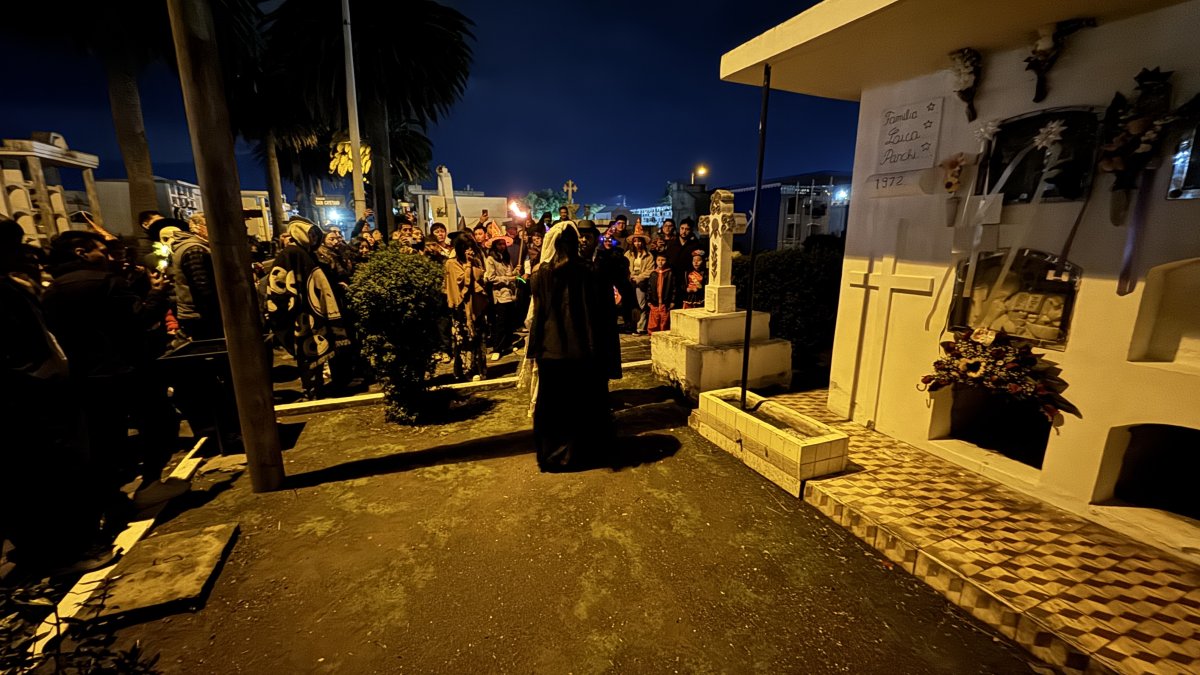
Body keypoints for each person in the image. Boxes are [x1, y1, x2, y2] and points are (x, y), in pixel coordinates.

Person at [527, 223, 620, 471]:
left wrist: (534, 349)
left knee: (551, 404)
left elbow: (538, 315)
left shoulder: (540, 274)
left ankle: (551, 456)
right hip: (579, 349)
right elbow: (596, 313)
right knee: (579, 403)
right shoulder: (588, 271)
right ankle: (577, 454)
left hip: (550, 349)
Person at [266, 218, 351, 398]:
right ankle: (312, 390)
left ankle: (317, 388)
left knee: (317, 351)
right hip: (301, 313)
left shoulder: (308, 253)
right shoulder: (292, 253)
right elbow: (280, 283)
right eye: (310, 234)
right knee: (307, 353)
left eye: (315, 234)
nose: (313, 238)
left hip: (314, 311)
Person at [169, 214, 222, 340]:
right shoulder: (195, 249)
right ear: (197, 228)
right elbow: (202, 286)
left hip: (196, 314)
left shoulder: (195, 246)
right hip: (199, 315)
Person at [444, 233, 489, 381]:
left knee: (478, 339)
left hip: (477, 307)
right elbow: (462, 282)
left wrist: (473, 266)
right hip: (461, 307)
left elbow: (480, 278)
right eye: (466, 248)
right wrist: (468, 266)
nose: (470, 251)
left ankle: (480, 369)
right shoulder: (451, 263)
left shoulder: (476, 261)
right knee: (463, 340)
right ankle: (464, 371)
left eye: (471, 248)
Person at [483, 225, 518, 361]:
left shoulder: (506, 258)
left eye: (504, 243)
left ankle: (507, 344)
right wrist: (508, 279)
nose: (502, 246)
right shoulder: (490, 259)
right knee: (500, 323)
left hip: (510, 295)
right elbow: (490, 278)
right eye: (499, 244)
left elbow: (511, 274)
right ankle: (497, 348)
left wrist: (515, 272)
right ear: (494, 246)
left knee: (510, 322)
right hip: (499, 296)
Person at [625, 223, 653, 334]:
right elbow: (624, 266)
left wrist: (639, 278)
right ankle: (631, 325)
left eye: (640, 241)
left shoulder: (649, 255)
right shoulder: (628, 254)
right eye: (635, 241)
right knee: (630, 304)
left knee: (641, 304)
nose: (638, 243)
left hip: (641, 283)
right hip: (629, 281)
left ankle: (640, 327)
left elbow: (650, 270)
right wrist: (630, 275)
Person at [646, 251, 675, 333]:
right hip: (654, 302)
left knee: (664, 320)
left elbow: (673, 288)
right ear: (656, 261)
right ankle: (653, 336)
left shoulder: (670, 273)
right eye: (658, 260)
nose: (660, 262)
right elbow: (649, 288)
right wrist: (648, 300)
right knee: (654, 321)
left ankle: (663, 335)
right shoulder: (653, 274)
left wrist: (672, 300)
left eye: (663, 260)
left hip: (665, 303)